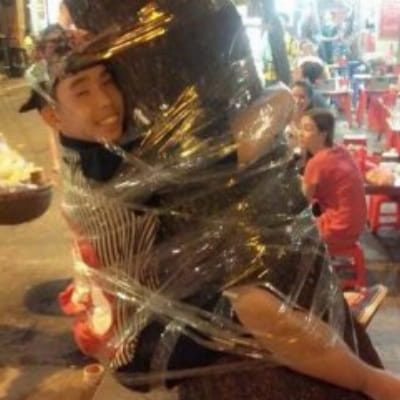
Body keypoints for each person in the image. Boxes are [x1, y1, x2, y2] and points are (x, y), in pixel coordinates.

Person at [21, 6, 400, 400]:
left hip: (140, 312)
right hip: (138, 342)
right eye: (82, 91)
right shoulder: (114, 169)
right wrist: (284, 94)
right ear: (52, 115)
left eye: (107, 81)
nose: (105, 101)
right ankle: (367, 380)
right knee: (253, 307)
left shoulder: (86, 151)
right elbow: (238, 145)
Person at [299, 108, 367, 254]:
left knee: (291, 234)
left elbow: (302, 203)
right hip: (355, 226)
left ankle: (310, 267)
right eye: (301, 128)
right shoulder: (339, 150)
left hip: (338, 229)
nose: (301, 133)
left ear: (323, 134)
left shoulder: (317, 162)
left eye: (307, 129)